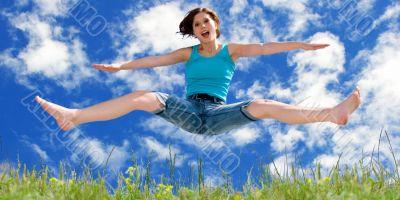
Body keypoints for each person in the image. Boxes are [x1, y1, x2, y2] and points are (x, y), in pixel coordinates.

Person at [35, 7, 361, 135]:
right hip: (190, 110)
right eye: (197, 25)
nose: (203, 26)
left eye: (206, 22)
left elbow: (263, 47)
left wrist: (300, 45)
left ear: (215, 25)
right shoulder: (187, 53)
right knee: (142, 97)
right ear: (194, 32)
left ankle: (331, 114)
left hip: (219, 113)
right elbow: (154, 60)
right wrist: (121, 66)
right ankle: (74, 116)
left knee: (262, 105)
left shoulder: (230, 50)